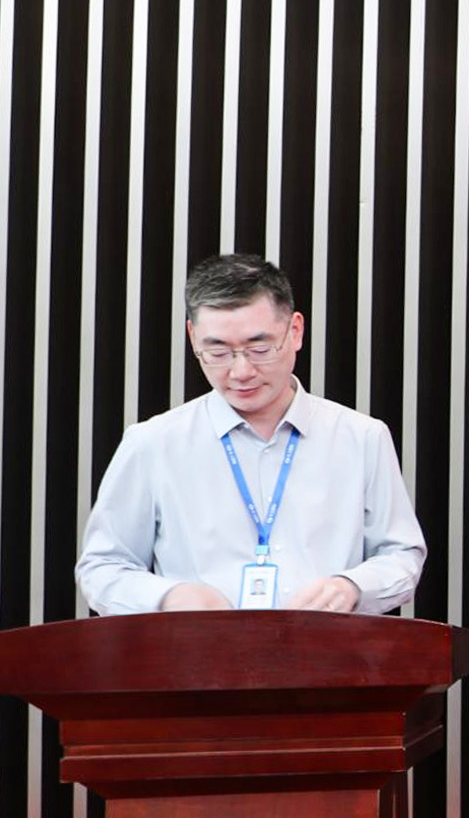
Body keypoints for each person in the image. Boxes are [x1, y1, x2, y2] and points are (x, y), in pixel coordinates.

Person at [78, 253, 425, 616]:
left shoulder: (361, 437)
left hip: (326, 648)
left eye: (259, 349)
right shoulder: (153, 443)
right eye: (218, 351)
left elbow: (402, 555)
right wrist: (170, 596)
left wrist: (351, 587)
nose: (241, 371)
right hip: (197, 648)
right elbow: (103, 567)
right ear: (193, 336)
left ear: (295, 331)